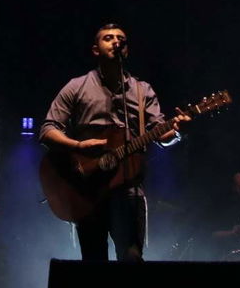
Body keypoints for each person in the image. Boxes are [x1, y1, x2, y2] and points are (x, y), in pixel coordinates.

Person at [39, 23, 189, 262]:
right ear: (96, 49)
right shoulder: (76, 87)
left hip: (128, 189)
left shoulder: (142, 91)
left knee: (132, 258)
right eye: (108, 38)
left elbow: (160, 136)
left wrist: (175, 131)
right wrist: (78, 146)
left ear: (126, 50)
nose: (116, 42)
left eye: (121, 39)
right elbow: (47, 130)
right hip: (87, 191)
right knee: (94, 260)